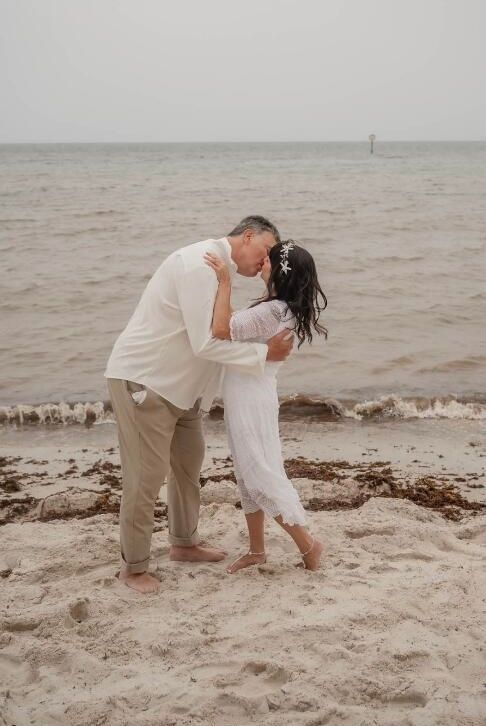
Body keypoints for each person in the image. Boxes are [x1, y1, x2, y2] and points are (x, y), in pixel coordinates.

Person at [104, 216, 294, 593]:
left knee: (188, 467)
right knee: (145, 478)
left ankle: (184, 543)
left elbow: (220, 329)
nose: (266, 259)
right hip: (148, 382)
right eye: (265, 249)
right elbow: (205, 343)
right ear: (248, 236)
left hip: (183, 392)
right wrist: (264, 354)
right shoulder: (199, 264)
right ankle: (134, 567)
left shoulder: (216, 268)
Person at [204, 239, 327, 573]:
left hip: (249, 398)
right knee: (247, 474)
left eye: (269, 260)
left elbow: (220, 329)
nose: (262, 261)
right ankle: (256, 550)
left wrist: (225, 281)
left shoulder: (270, 311)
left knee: (259, 474)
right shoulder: (279, 307)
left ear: (280, 272)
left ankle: (308, 545)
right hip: (250, 393)